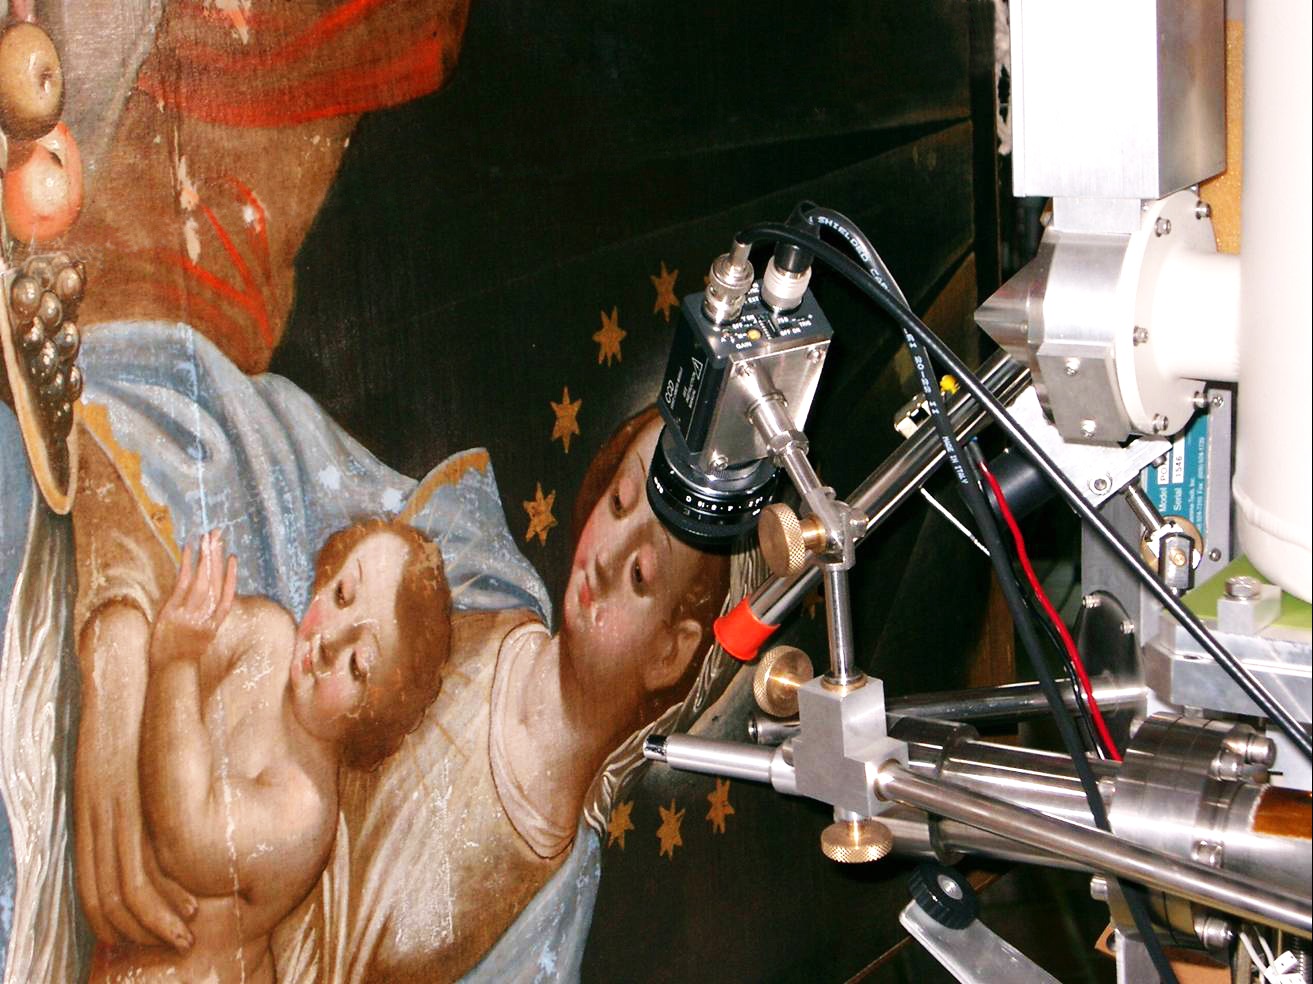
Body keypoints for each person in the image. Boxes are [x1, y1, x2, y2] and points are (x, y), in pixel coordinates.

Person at [277, 407, 731, 983]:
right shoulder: (470, 574)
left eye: (641, 573)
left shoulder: (547, 921)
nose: (608, 555)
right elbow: (294, 475)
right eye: (619, 503)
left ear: (671, 653)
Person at [92, 521, 449, 984]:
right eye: (342, 595)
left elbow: (186, 839)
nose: (330, 641)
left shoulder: (303, 806)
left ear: (374, 715)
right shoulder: (266, 632)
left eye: (358, 666)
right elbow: (163, 627)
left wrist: (175, 661)